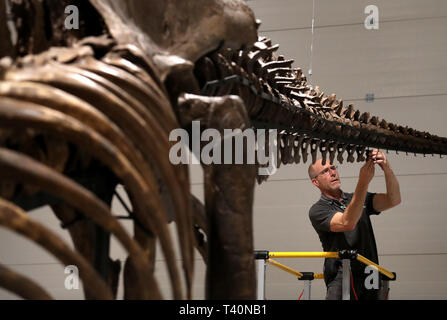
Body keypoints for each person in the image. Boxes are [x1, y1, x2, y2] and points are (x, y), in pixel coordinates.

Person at [308, 149, 401, 300]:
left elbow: (394, 199)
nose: (332, 173)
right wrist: (363, 182)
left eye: (333, 168)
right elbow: (347, 222)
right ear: (315, 182)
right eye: (325, 171)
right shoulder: (318, 210)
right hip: (341, 277)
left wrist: (386, 167)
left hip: (370, 274)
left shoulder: (357, 198)